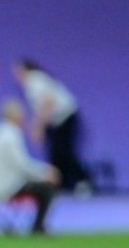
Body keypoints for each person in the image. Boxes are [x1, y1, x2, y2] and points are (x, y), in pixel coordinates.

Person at [13, 58, 92, 194]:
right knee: (55, 152)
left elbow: (48, 102)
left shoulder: (34, 79)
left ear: (25, 69)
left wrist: (39, 126)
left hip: (65, 117)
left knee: (65, 150)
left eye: (17, 71)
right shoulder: (32, 83)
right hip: (55, 120)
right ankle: (60, 184)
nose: (16, 75)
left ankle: (82, 182)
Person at [0, 99, 59, 234]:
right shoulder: (12, 134)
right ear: (14, 117)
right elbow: (21, 165)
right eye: (21, 116)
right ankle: (38, 226)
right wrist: (45, 173)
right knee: (48, 188)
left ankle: (37, 225)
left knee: (43, 186)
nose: (24, 119)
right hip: (10, 186)